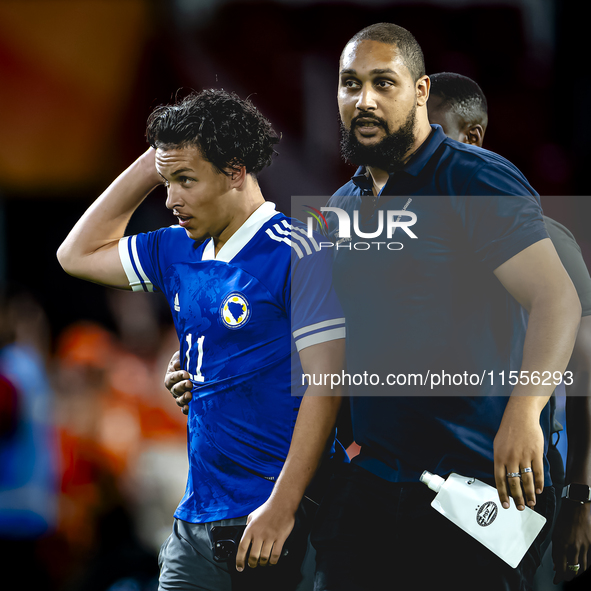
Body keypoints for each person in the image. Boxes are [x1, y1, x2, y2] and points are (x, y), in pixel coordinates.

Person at [307, 22, 580, 591]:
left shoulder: (476, 179)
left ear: (422, 91)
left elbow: (557, 300)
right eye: (349, 84)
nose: (364, 100)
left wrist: (526, 413)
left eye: (384, 83)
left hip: (479, 490)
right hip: (371, 485)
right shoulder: (342, 204)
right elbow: (332, 339)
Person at [57, 89, 347, 591]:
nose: (170, 199)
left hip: (284, 519)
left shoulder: (299, 249)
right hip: (196, 522)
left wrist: (283, 506)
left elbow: (329, 384)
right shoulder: (176, 250)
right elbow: (75, 254)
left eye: (185, 180)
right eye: (166, 182)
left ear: (235, 170)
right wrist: (155, 161)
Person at [427, 71, 591, 587]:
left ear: (472, 138)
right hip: (414, 481)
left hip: (513, 487)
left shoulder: (544, 240)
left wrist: (581, 501)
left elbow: (586, 382)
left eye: (430, 135)